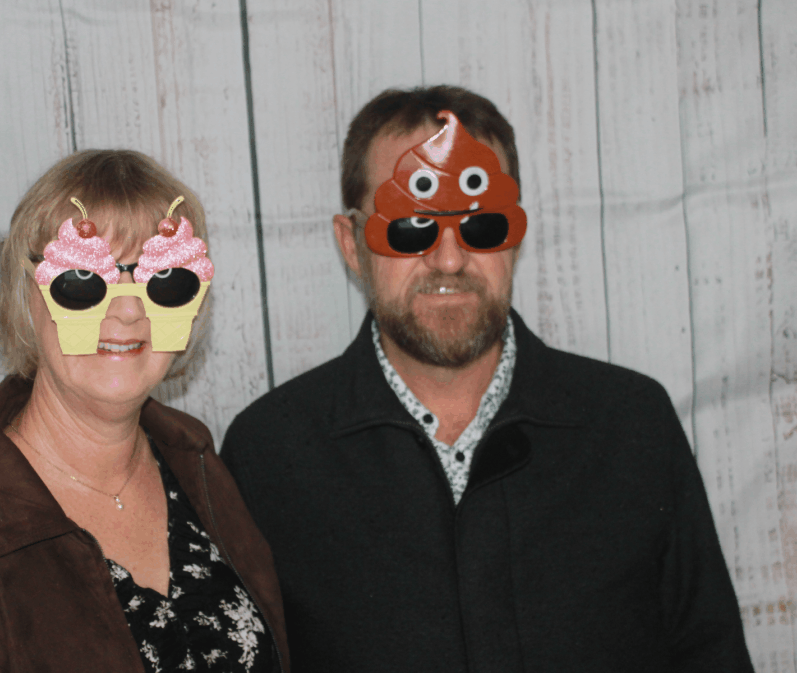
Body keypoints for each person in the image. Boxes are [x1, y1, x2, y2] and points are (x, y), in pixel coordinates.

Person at [221, 86, 753, 672]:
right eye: (411, 227)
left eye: (481, 224)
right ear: (351, 245)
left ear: (515, 235)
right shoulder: (269, 454)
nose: (449, 260)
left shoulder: (632, 425)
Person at [0, 150, 289, 672]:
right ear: (24, 295)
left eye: (166, 280)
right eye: (82, 281)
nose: (128, 310)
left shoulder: (204, 470)